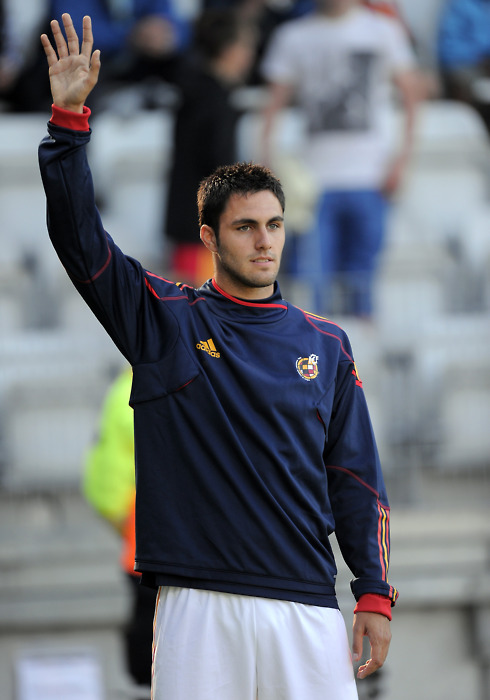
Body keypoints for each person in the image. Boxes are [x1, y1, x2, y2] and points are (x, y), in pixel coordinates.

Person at [39, 14, 397, 699]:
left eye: (274, 225)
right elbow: (80, 241)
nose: (264, 241)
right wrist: (69, 122)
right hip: (196, 605)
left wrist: (374, 591)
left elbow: (356, 475)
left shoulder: (327, 343)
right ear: (208, 236)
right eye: (245, 227)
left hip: (305, 604)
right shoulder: (165, 320)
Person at [261, 0, 420, 318]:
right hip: (313, 181)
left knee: (362, 280)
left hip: (371, 177)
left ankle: (360, 347)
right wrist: (267, 167)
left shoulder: (384, 30)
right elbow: (272, 106)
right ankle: (316, 348)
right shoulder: (293, 36)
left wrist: (402, 161)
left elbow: (412, 96)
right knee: (312, 283)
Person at [164, 8, 258, 287]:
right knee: (200, 303)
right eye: (246, 46)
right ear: (230, 50)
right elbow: (217, 164)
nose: (250, 56)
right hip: (203, 228)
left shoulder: (194, 91)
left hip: (190, 222)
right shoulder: (214, 100)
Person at [83, 368, 155, 687]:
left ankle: (141, 676)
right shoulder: (145, 387)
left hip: (136, 518)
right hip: (147, 516)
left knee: (145, 606)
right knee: (153, 608)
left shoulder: (124, 386)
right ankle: (144, 676)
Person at [437, 0, 490, 133]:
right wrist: (481, 56)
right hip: (467, 65)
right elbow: (449, 50)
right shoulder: (461, 5)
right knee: (472, 87)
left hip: (485, 66)